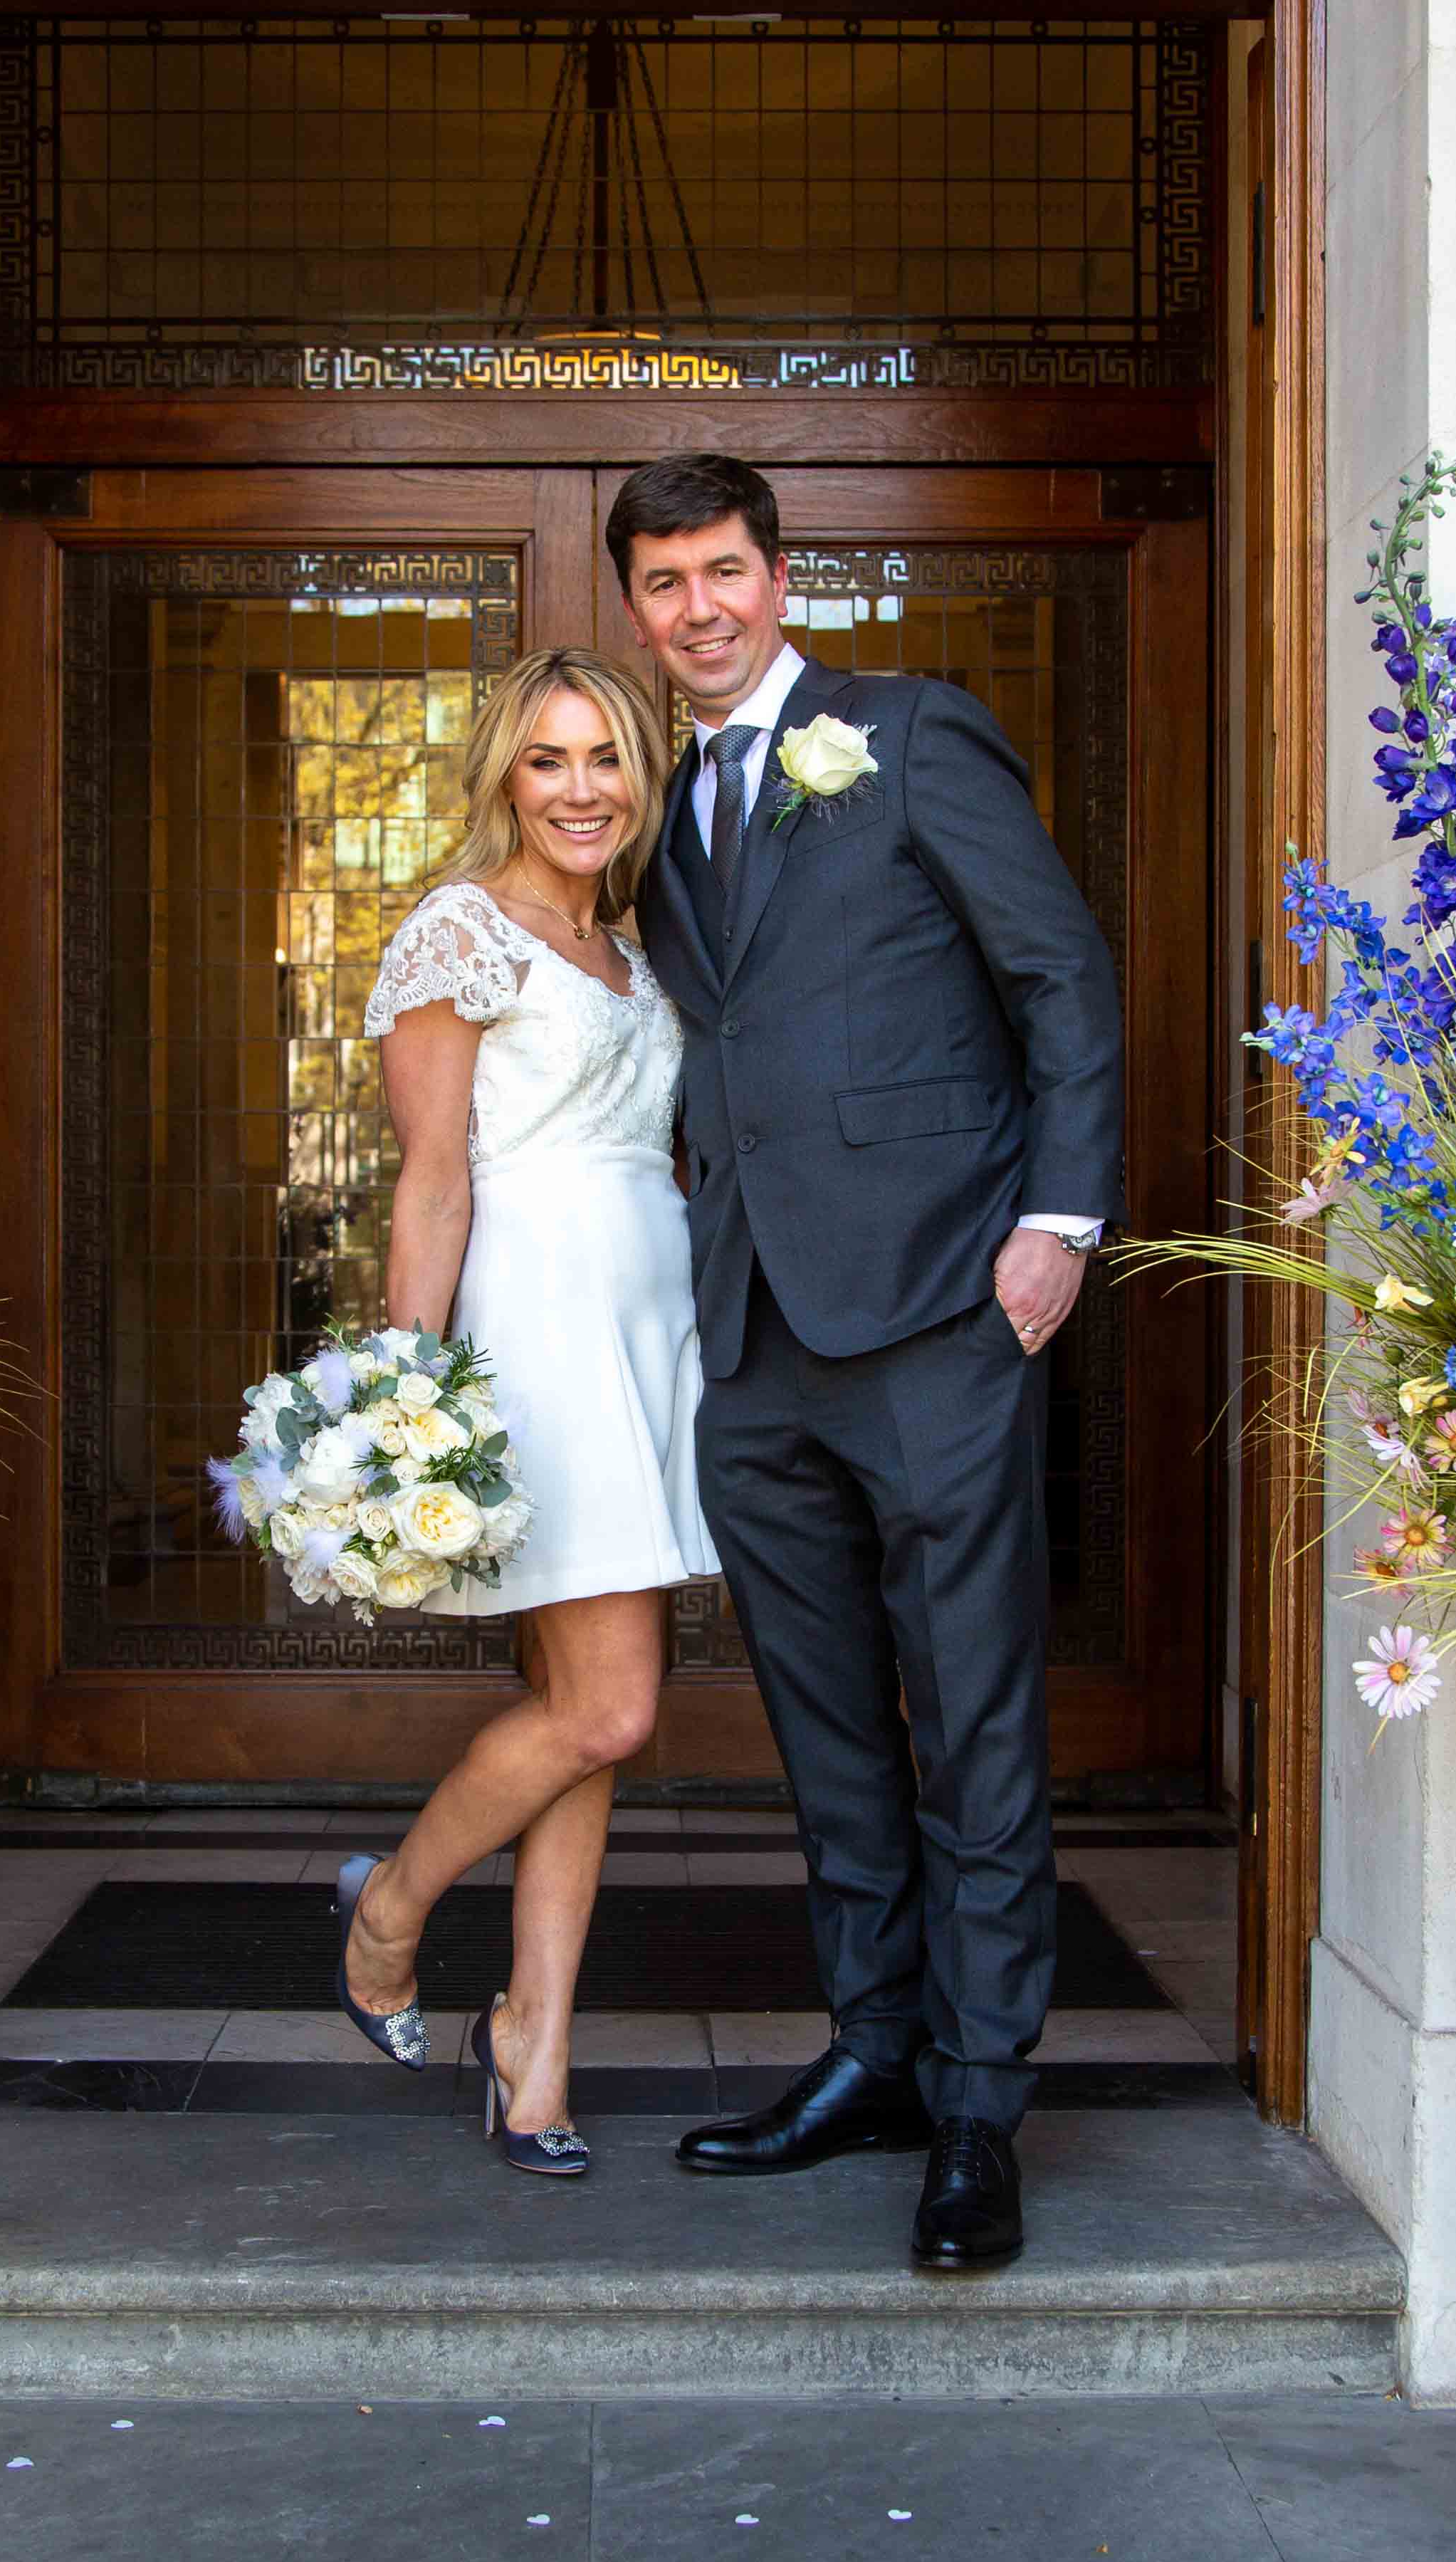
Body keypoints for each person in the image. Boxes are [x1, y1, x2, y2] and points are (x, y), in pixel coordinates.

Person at [613, 453, 1125, 2272]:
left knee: (971, 1718)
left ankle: (980, 2108)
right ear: (636, 605)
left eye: (724, 571)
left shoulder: (905, 735)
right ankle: (875, 2051)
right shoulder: (656, 805)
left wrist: (1060, 1220)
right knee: (827, 1728)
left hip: (934, 1314)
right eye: (665, 582)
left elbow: (1060, 979)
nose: (700, 608)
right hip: (753, 1333)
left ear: (780, 574)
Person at [330, 647, 718, 2177]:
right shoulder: (458, 932)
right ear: (505, 772)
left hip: (652, 1323)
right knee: (607, 1706)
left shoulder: (632, 947)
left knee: (585, 1717)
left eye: (606, 758)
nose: (580, 789)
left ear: (641, 777)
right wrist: (406, 1392)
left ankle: (532, 2054)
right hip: (541, 1329)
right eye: (549, 759)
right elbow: (433, 1184)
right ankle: (389, 1908)